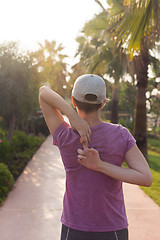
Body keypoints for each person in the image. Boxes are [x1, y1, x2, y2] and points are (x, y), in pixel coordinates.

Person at [39, 74, 152, 240]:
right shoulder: (120, 135)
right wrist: (102, 166)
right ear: (103, 103)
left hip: (74, 228)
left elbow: (43, 92)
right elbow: (146, 177)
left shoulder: (65, 134)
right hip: (112, 229)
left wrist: (71, 115)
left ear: (73, 100)